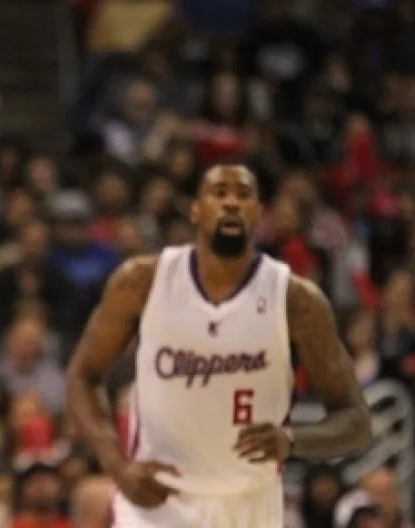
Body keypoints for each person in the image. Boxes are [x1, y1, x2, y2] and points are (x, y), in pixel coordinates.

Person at [64, 164, 373, 527]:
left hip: (250, 503)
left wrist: (291, 441)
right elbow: (82, 375)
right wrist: (117, 466)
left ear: (258, 213)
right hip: (158, 499)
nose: (231, 203)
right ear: (196, 209)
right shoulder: (142, 282)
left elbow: (356, 422)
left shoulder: (296, 301)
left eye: (243, 195)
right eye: (219, 193)